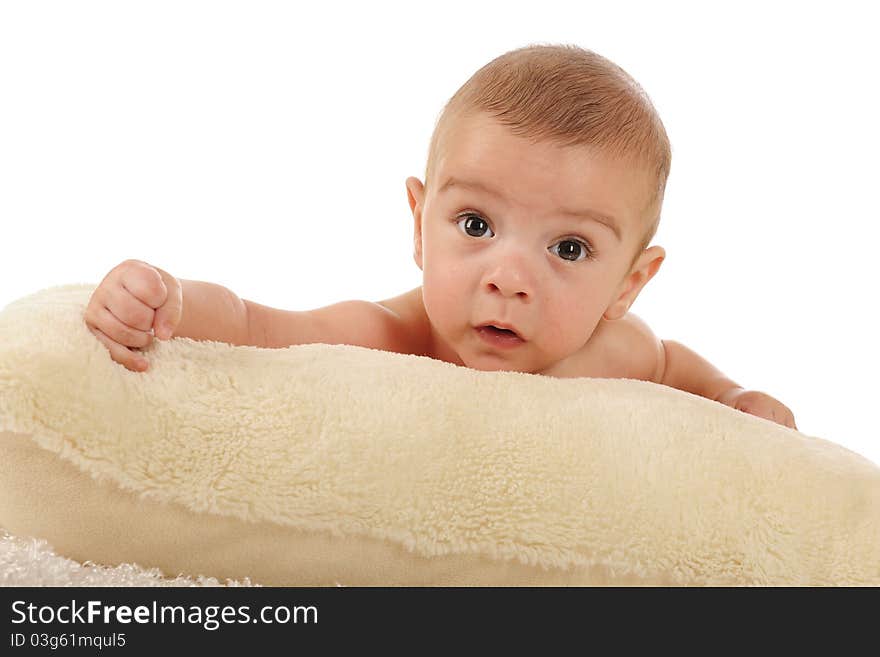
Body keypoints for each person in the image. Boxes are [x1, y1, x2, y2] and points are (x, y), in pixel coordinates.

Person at [83, 44, 797, 429]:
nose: (508, 277)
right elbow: (256, 324)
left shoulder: (624, 351)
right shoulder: (394, 336)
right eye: (476, 225)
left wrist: (737, 398)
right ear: (420, 226)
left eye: (569, 248)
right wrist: (166, 300)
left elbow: (682, 370)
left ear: (629, 284)